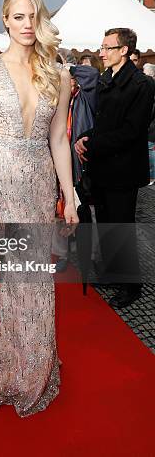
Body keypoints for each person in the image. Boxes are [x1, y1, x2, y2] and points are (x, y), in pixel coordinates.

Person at [0, 0, 78, 416]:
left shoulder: (58, 72)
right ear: (5, 19)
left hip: (40, 178)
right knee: (22, 272)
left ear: (40, 19)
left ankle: (27, 367)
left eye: (33, 16)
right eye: (18, 16)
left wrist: (69, 194)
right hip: (3, 176)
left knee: (34, 273)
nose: (27, 24)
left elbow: (59, 139)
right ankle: (19, 369)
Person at [75, 28, 155, 308]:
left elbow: (132, 131)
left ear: (124, 50)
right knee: (108, 224)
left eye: (108, 48)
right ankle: (111, 273)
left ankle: (131, 286)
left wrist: (92, 144)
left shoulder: (141, 85)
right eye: (102, 47)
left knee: (122, 227)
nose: (101, 52)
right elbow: (104, 122)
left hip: (123, 170)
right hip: (103, 167)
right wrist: (87, 138)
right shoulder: (107, 79)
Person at [143, 62, 155, 184]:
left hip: (151, 132)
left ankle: (151, 177)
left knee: (150, 153)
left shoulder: (150, 87)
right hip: (149, 131)